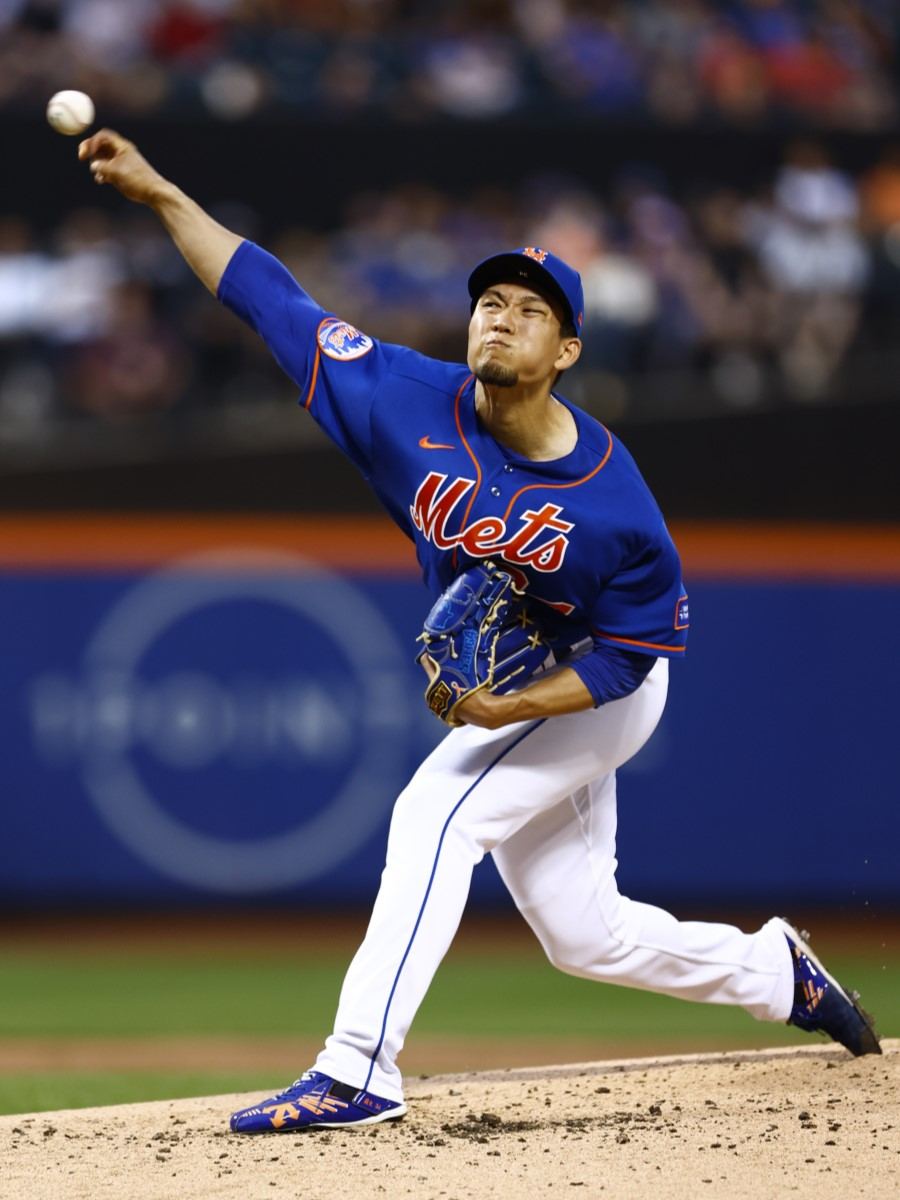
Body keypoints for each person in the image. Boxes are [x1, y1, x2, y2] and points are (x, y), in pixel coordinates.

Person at [78, 130, 881, 1133]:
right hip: (534, 684)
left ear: (568, 351)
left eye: (529, 311)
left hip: (596, 684)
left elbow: (631, 658)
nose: (501, 320)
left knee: (436, 817)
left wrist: (507, 705)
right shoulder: (399, 396)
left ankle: (358, 1068)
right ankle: (777, 971)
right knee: (585, 936)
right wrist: (160, 194)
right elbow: (262, 292)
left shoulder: (616, 507)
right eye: (490, 303)